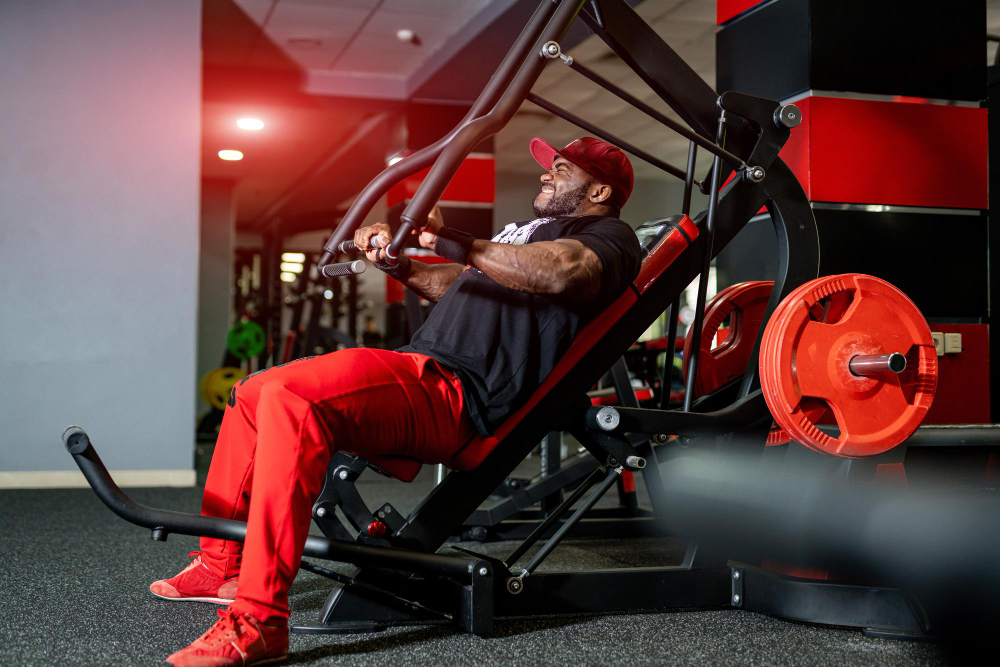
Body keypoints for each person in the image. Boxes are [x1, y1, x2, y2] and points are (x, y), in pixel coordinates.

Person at [154, 136, 642, 666]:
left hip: (457, 390)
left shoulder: (609, 238)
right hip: (420, 367)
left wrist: (444, 235)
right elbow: (460, 283)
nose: (546, 174)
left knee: (291, 398)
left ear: (599, 191)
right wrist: (399, 266)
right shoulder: (524, 237)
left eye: (562, 169)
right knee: (251, 393)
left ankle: (261, 620)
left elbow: (559, 270)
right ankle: (221, 565)